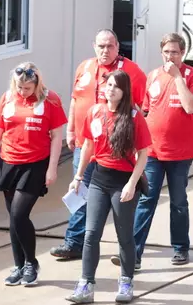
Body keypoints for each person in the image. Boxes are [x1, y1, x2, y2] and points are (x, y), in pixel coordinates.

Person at [50, 29, 147, 261]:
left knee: (114, 199)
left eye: (110, 46)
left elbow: (143, 106)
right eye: (101, 46)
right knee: (79, 190)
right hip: (86, 144)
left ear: (117, 47)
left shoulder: (130, 71)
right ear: (94, 46)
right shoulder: (84, 68)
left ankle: (122, 247)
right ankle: (75, 242)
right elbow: (75, 100)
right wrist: (71, 130)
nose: (105, 51)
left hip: (113, 151)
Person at [0, 62, 67, 286]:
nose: (22, 92)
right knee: (14, 219)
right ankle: (19, 265)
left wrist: (52, 168)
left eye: (27, 88)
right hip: (9, 162)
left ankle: (31, 263)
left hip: (35, 164)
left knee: (19, 214)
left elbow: (57, 137)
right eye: (19, 87)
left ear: (37, 85)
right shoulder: (7, 98)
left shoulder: (50, 100)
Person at [66, 70, 151, 304]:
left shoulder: (134, 117)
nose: (110, 89)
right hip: (99, 180)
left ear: (124, 92)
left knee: (124, 235)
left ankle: (126, 280)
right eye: (108, 85)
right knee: (91, 233)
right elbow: (87, 146)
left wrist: (132, 184)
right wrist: (79, 176)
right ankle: (86, 284)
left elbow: (144, 153)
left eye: (116, 86)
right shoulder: (95, 112)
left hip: (123, 181)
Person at [131, 33, 193, 267]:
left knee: (178, 201)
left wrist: (178, 78)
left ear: (183, 53)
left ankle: (181, 247)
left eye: (175, 52)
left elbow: (190, 107)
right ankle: (133, 253)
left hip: (181, 153)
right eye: (166, 52)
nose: (170, 56)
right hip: (153, 152)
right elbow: (144, 111)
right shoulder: (153, 76)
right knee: (146, 200)